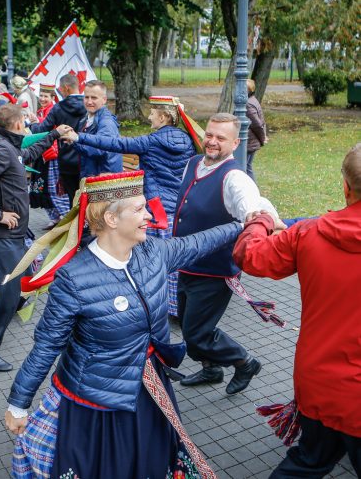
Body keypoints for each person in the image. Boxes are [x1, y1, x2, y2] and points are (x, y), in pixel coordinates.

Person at [4, 170, 243, 478]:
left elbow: (199, 243)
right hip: (98, 398)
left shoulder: (153, 253)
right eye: (139, 209)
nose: (149, 216)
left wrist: (242, 225)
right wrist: (18, 404)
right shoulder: (74, 278)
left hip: (150, 385)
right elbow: (47, 345)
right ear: (112, 220)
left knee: (153, 458)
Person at [233, 143, 361, 478]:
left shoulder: (308, 234)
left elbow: (250, 256)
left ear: (345, 186)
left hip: (321, 385)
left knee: (308, 461)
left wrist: (260, 220)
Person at [173, 112, 283, 394]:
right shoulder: (193, 163)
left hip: (214, 270)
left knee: (197, 333)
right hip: (186, 264)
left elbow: (252, 210)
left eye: (220, 138)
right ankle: (212, 369)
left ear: (235, 143)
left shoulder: (236, 178)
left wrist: (258, 216)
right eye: (209, 135)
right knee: (189, 328)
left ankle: (245, 362)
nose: (212, 142)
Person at [65, 95, 195, 316]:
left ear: (163, 117)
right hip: (177, 209)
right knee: (173, 256)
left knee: (153, 259)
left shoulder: (153, 141)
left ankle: (155, 304)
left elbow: (117, 144)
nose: (149, 116)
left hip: (156, 209)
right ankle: (176, 306)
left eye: (153, 113)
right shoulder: (187, 140)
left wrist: (78, 138)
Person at [0, 104, 70, 371]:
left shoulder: (8, 147)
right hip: (0, 234)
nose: (27, 124)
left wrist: (53, 134)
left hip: (10, 235)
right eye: (24, 120)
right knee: (10, 291)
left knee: (11, 289)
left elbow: (28, 153)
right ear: (16, 124)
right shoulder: (2, 149)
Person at [29, 73, 87, 206]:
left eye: (60, 89)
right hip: (86, 159)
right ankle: (86, 225)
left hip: (66, 161)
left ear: (66, 88)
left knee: (73, 199)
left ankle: (75, 226)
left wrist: (32, 124)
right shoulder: (89, 105)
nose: (59, 92)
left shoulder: (59, 107)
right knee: (86, 199)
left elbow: (42, 130)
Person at [29, 83, 70, 229]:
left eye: (46, 96)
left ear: (53, 97)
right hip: (42, 153)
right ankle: (55, 217)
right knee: (41, 187)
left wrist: (34, 122)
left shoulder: (53, 110)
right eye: (41, 95)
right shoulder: (41, 111)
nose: (42, 98)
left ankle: (65, 216)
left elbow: (45, 130)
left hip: (52, 154)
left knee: (53, 187)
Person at [69, 79, 122, 178]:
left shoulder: (107, 122)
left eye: (94, 98)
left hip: (104, 181)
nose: (89, 102)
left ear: (104, 99)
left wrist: (75, 141)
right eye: (86, 97)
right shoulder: (86, 118)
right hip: (92, 176)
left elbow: (100, 149)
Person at [246, 79, 267, 182]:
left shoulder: (248, 104)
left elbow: (257, 124)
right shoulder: (253, 100)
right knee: (247, 166)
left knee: (245, 167)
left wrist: (263, 138)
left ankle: (253, 190)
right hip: (252, 141)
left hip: (249, 142)